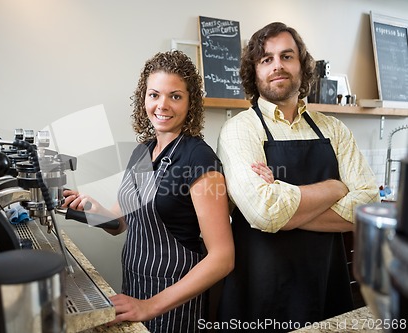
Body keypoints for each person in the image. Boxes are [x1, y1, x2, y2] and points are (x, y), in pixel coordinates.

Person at [216, 22, 380, 331]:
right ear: (254, 71)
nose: (277, 66)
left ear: (302, 66)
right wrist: (335, 187)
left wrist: (283, 201)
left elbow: (368, 207)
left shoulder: (334, 129)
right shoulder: (240, 129)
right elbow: (264, 212)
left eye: (286, 56)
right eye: (266, 59)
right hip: (259, 293)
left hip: (325, 287)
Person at [63, 50, 234, 333]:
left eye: (175, 96)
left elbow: (222, 257)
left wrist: (151, 306)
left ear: (190, 103)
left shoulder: (199, 159)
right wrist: (90, 210)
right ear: (144, 98)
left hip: (174, 302)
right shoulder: (142, 152)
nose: (162, 105)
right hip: (135, 287)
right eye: (154, 95)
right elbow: (122, 222)